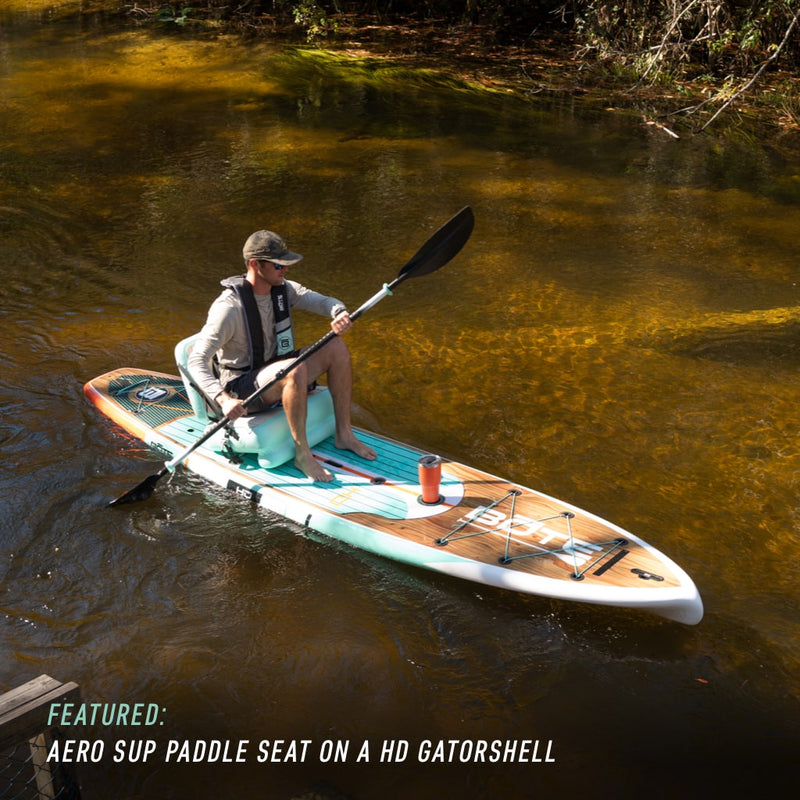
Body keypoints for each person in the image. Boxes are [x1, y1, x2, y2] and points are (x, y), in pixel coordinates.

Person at [188, 229, 376, 482]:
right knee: (292, 369)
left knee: (336, 347)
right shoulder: (228, 308)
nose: (285, 269)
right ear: (255, 264)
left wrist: (339, 312)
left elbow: (324, 301)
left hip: (277, 370)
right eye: (279, 264)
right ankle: (302, 454)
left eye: (286, 263)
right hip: (242, 388)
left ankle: (344, 434)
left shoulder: (284, 289)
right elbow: (196, 359)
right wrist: (223, 400)